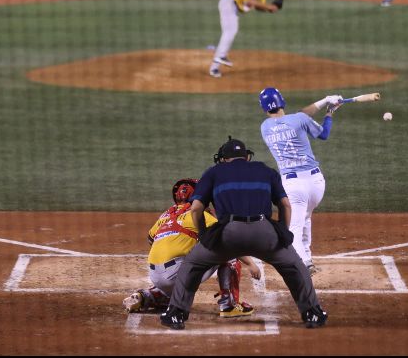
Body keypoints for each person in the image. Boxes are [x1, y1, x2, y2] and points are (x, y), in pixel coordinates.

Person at [160, 137, 327, 330]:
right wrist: (283, 232)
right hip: (265, 233)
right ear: (246, 157)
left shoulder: (213, 173)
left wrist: (205, 236)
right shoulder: (265, 170)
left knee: (193, 264)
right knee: (295, 266)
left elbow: (196, 209)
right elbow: (285, 205)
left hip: (227, 236)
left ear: (223, 159)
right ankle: (312, 313)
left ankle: (176, 314)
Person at [122, 178, 261, 318]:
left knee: (174, 293)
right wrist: (251, 264)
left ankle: (145, 296)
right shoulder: (199, 214)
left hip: (155, 275)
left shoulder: (166, 215)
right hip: (175, 274)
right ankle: (229, 305)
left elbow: (151, 238)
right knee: (227, 253)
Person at [258, 87, 343, 275]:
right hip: (316, 184)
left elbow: (298, 117)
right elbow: (323, 134)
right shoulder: (299, 120)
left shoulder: (265, 127)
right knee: (305, 218)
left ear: (264, 108)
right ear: (282, 102)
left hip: (293, 186)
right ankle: (308, 258)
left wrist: (325, 101)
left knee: (294, 226)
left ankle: (303, 264)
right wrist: (329, 111)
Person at [208, 0, 280, 78]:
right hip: (229, 3)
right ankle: (221, 56)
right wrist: (269, 7)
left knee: (230, 32)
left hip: (233, 8)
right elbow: (250, 1)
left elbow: (257, 7)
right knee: (230, 31)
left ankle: (214, 68)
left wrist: (269, 10)